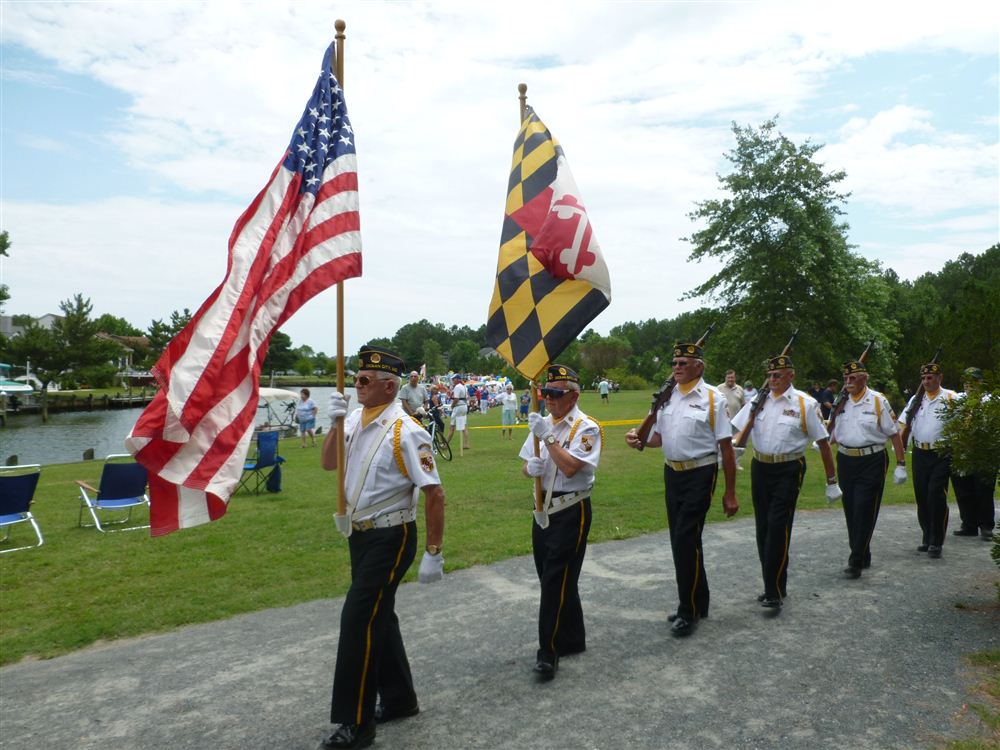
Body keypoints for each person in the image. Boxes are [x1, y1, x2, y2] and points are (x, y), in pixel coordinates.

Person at [319, 346, 446, 750]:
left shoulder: (406, 430)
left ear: (389, 387)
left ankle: (356, 723)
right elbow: (327, 463)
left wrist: (434, 552)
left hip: (392, 537)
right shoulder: (355, 418)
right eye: (357, 378)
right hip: (360, 535)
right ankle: (399, 699)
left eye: (363, 381)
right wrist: (336, 422)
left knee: (357, 620)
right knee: (380, 616)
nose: (356, 385)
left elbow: (435, 492)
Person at [625, 341, 739, 637]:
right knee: (684, 540)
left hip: (701, 472)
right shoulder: (668, 398)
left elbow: (726, 448)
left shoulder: (713, 399)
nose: (676, 367)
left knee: (684, 540)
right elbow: (658, 439)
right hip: (672, 473)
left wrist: (730, 492)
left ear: (699, 367)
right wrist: (639, 439)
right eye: (674, 363)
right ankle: (700, 600)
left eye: (683, 363)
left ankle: (687, 610)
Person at [730, 354, 840, 610]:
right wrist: (735, 447)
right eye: (769, 375)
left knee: (779, 526)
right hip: (761, 466)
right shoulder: (758, 401)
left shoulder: (805, 403)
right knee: (763, 529)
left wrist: (831, 480)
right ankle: (775, 582)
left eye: (777, 375)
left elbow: (823, 442)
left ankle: (773, 591)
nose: (772, 380)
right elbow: (738, 430)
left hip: (789, 468)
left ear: (791, 375)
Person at [520, 364, 602, 679]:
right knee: (551, 577)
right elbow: (525, 466)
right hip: (543, 510)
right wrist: (532, 468)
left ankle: (548, 651)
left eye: (556, 393)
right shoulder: (543, 424)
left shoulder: (586, 427)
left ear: (574, 395)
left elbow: (571, 468)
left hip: (571, 510)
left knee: (555, 580)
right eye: (546, 392)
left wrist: (549, 440)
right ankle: (573, 637)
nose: (549, 399)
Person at [828, 359, 907, 577]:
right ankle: (863, 551)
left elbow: (894, 434)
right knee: (851, 509)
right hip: (845, 459)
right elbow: (833, 431)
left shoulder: (877, 401)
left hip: (871, 460)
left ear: (865, 378)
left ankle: (855, 560)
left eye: (852, 378)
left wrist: (901, 464)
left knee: (864, 507)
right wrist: (823, 440)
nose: (848, 382)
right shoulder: (841, 401)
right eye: (845, 378)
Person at [898, 362, 957, 558]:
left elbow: (964, 423)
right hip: (920, 453)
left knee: (936, 495)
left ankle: (936, 541)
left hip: (942, 453)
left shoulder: (951, 398)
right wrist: (900, 446)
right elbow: (902, 423)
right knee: (922, 497)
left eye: (930, 378)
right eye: (923, 378)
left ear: (940, 378)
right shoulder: (916, 399)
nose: (926, 381)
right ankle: (926, 535)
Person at [951, 367, 997, 541]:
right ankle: (968, 524)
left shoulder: (991, 401)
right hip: (962, 451)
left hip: (984, 452)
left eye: (973, 381)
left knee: (984, 490)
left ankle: (986, 526)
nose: (969, 385)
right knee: (963, 490)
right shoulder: (957, 400)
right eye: (966, 381)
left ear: (980, 382)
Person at [446, 374, 470, 451]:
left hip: (458, 407)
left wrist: (451, 407)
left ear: (457, 379)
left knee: (452, 427)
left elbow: (456, 399)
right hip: (464, 406)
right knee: (464, 426)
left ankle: (445, 444)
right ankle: (466, 443)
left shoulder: (457, 387)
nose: (452, 380)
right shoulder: (464, 386)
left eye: (454, 379)